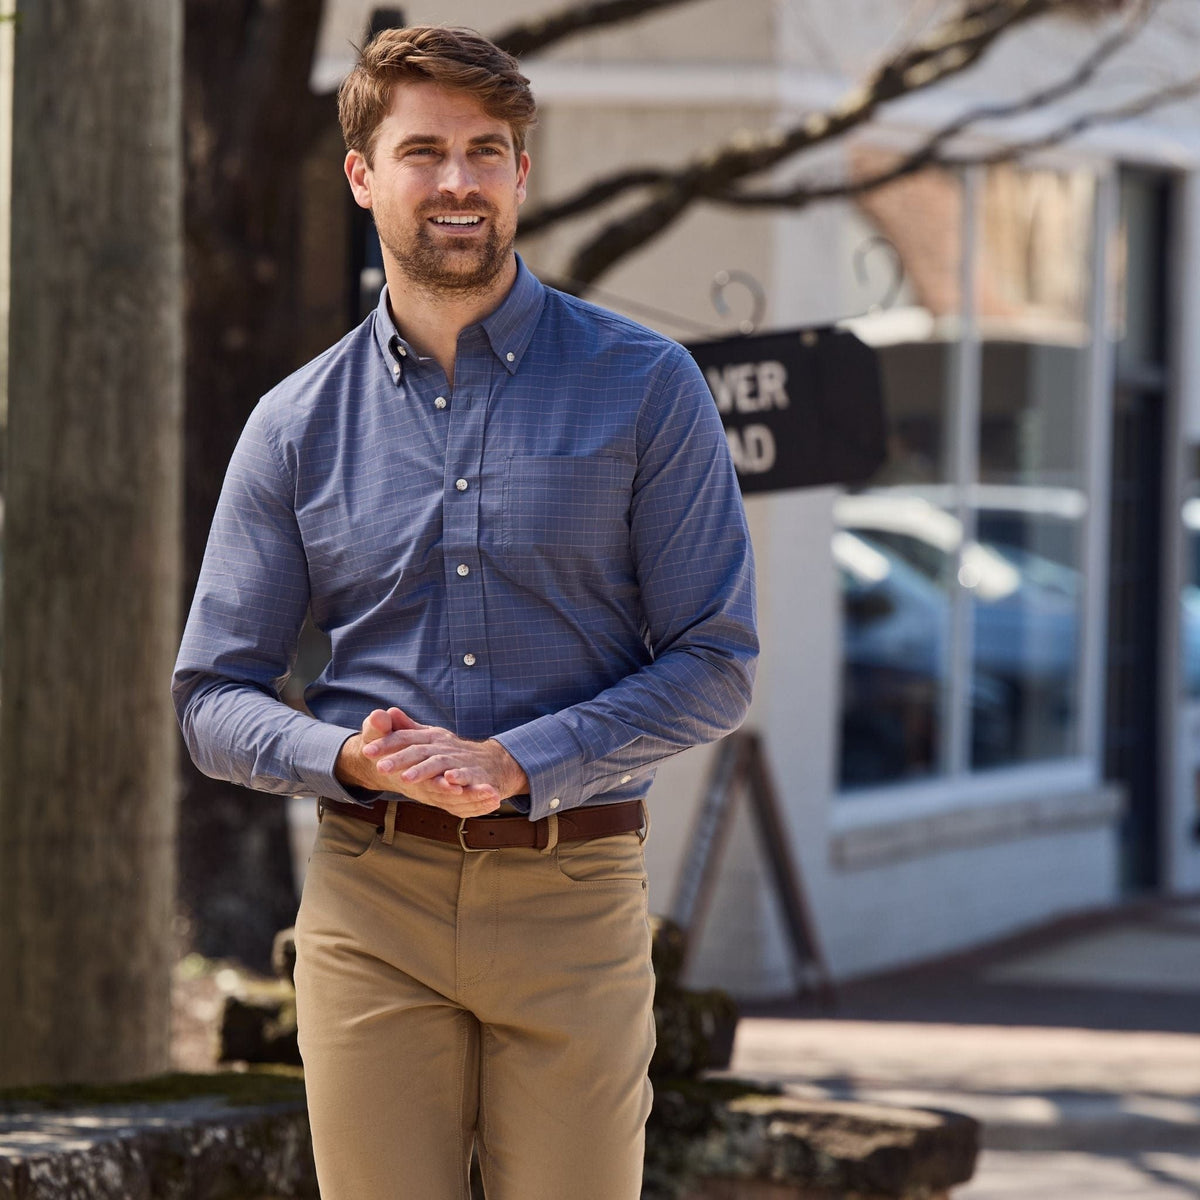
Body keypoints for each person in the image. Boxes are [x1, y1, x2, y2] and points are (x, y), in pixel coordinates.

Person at [173, 23, 757, 1200]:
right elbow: (210, 697)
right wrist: (348, 757)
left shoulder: (647, 388)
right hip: (368, 899)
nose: (458, 182)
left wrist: (521, 761)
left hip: (574, 894)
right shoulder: (295, 424)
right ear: (361, 175)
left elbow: (717, 660)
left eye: (488, 151)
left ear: (521, 172)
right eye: (424, 150)